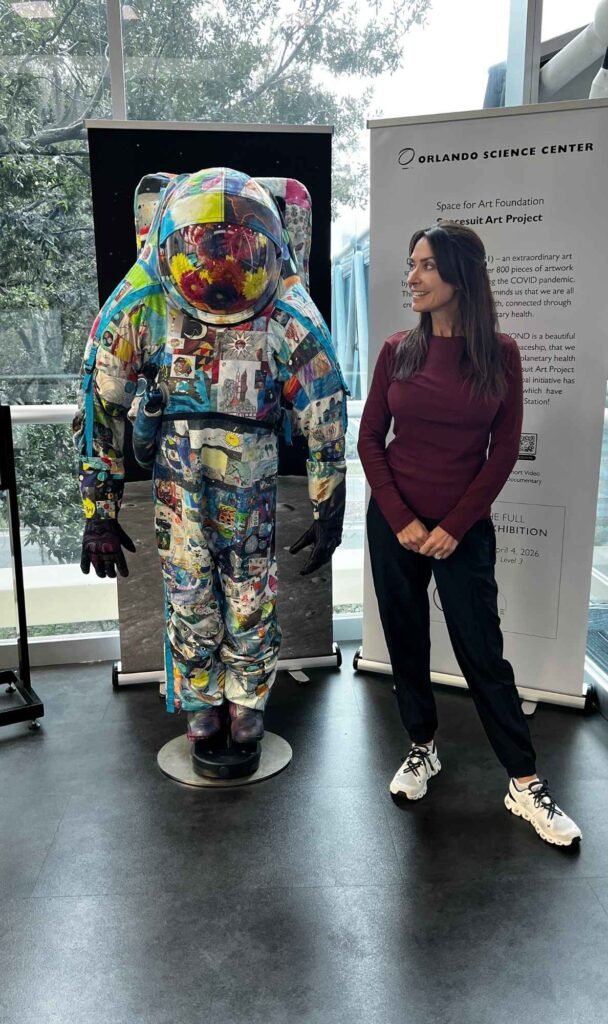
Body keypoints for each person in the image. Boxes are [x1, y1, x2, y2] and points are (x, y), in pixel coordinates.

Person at [74, 167, 346, 749]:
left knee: (250, 585)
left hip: (250, 468)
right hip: (180, 471)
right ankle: (203, 698)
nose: (221, 269)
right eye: (207, 249)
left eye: (239, 251)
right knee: (188, 582)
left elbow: (323, 406)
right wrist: (98, 509)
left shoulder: (285, 308)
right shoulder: (145, 300)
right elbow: (100, 404)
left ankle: (246, 697)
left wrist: (330, 504)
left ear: (265, 248)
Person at [357, 222, 581, 847]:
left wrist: (454, 526)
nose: (412, 277)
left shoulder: (500, 354)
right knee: (405, 639)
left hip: (463, 530)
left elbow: (502, 452)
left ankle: (524, 781)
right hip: (395, 524)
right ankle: (421, 746)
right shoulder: (398, 350)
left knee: (482, 650)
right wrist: (401, 519)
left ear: (462, 275)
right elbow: (370, 439)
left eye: (426, 265)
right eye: (412, 264)